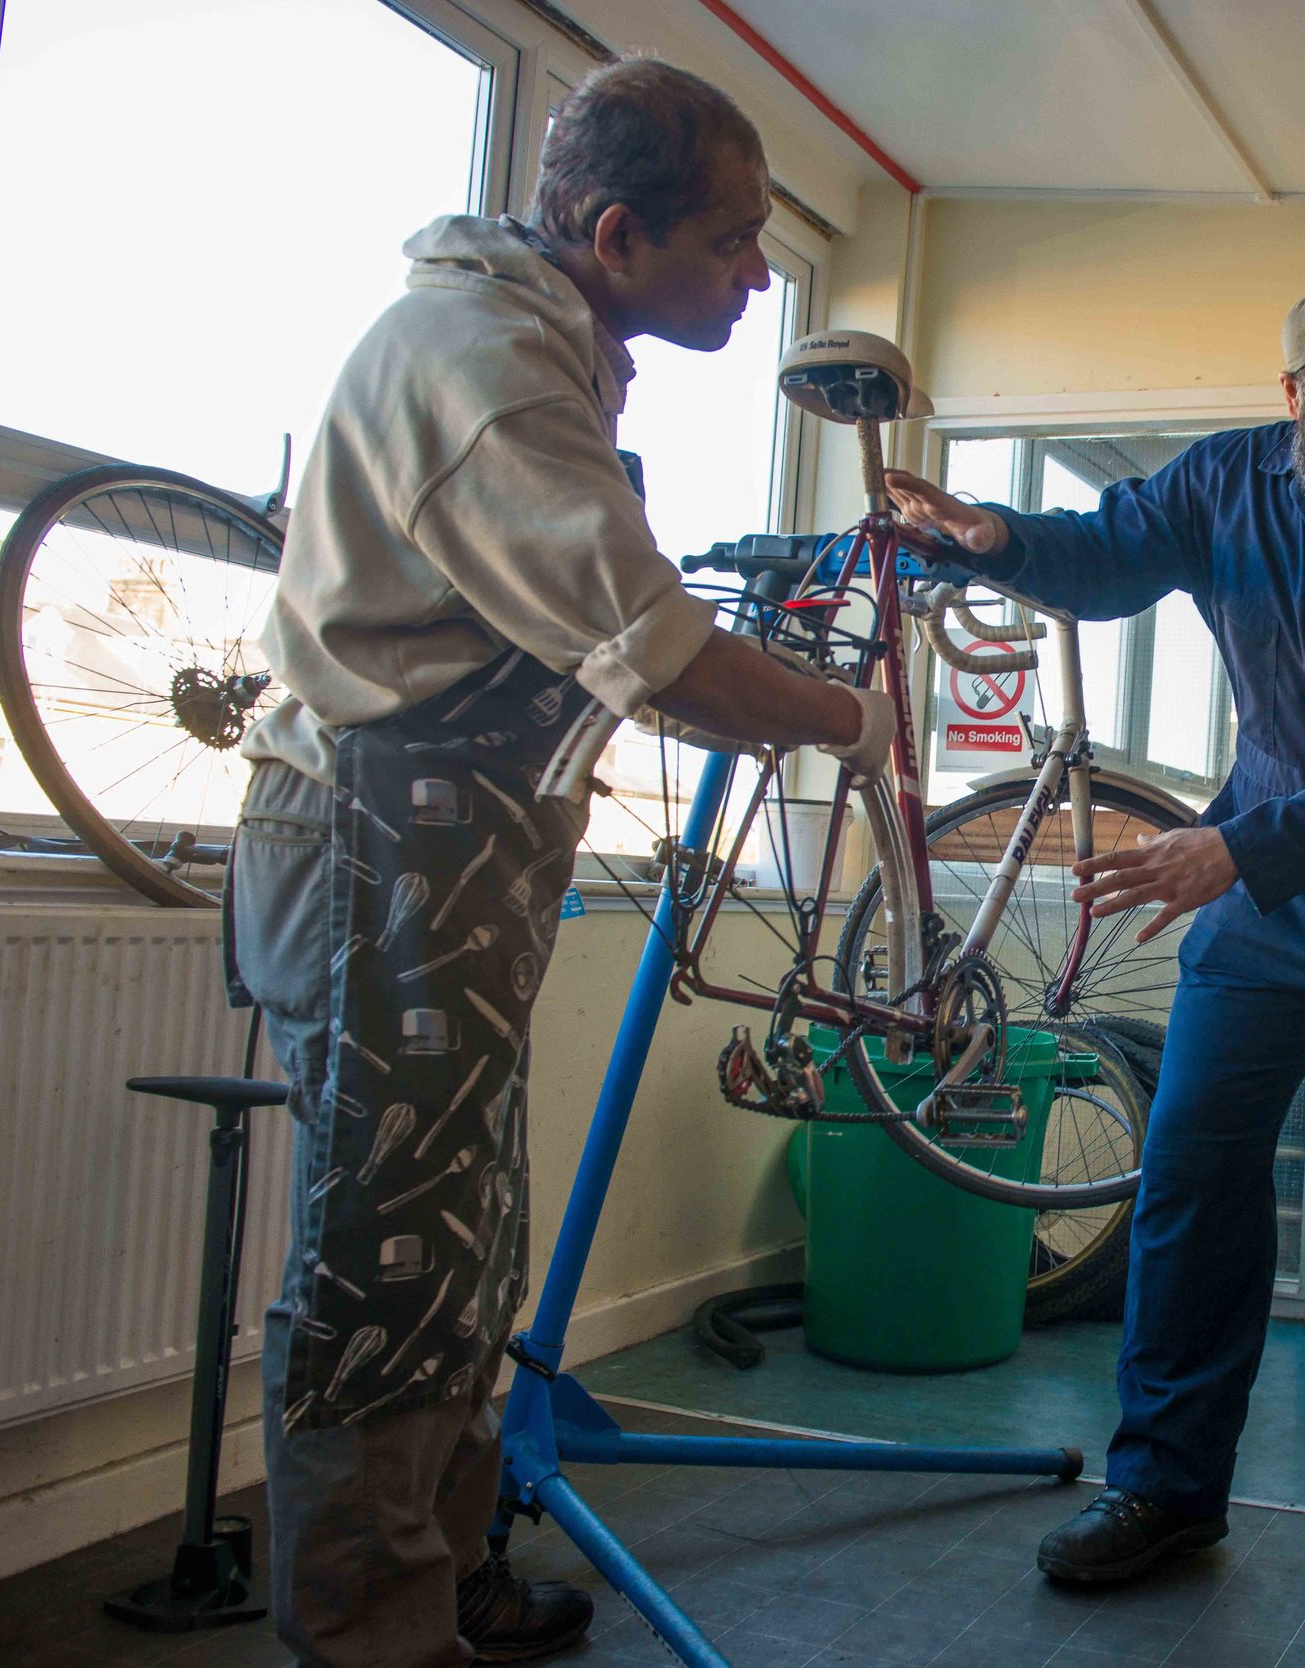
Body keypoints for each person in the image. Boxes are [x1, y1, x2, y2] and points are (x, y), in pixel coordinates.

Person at [228, 60, 892, 1668]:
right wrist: (842, 718)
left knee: (461, 1225)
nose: (753, 277)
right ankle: (368, 1633)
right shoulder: (485, 370)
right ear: (613, 233)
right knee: (386, 1241)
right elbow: (656, 647)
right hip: (375, 846)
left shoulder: (543, 344)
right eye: (735, 245)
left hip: (449, 853)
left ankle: (442, 1572)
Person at [885, 270, 1305, 1620]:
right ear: (1292, 394)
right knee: (1191, 1166)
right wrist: (994, 535)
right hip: (1275, 890)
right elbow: (1106, 556)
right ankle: (1171, 1487)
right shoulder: (1223, 486)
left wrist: (1232, 850)